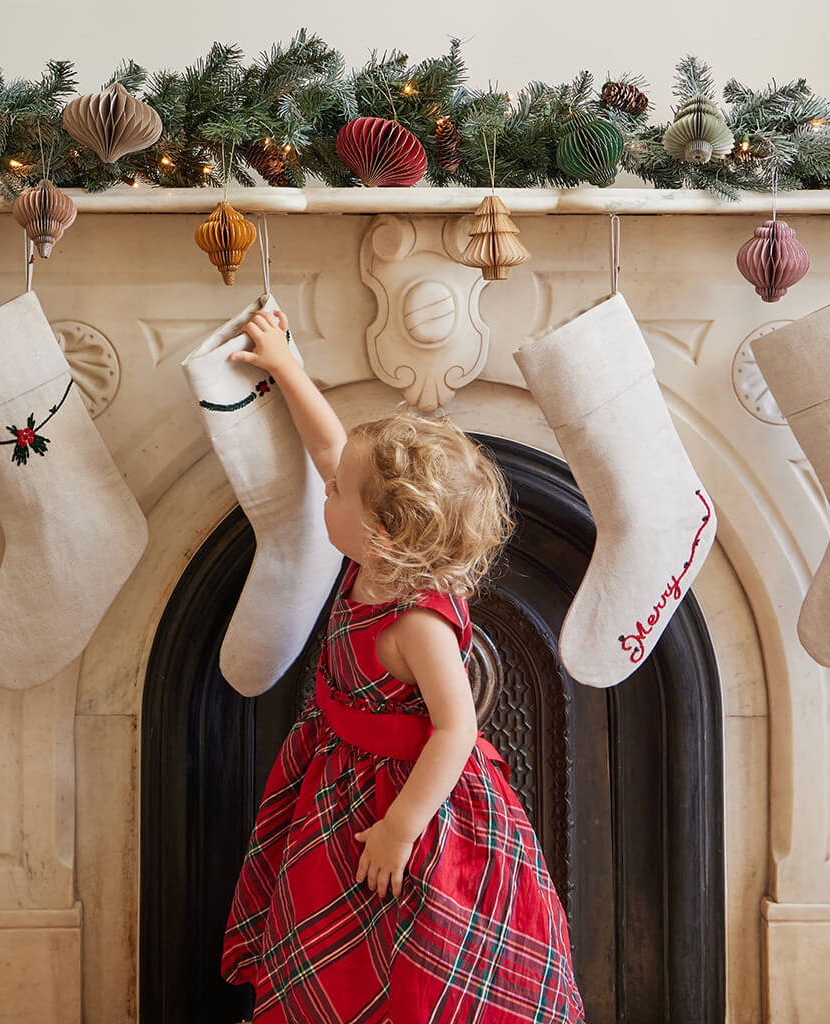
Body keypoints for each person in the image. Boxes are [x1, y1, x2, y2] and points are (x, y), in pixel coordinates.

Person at [221, 307, 586, 1023]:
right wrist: (287, 368)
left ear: (381, 532)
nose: (324, 488)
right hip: (339, 785)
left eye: (334, 494)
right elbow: (332, 450)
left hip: (412, 808)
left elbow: (455, 729)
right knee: (330, 937)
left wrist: (401, 826)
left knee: (413, 955)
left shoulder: (418, 620)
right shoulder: (372, 556)